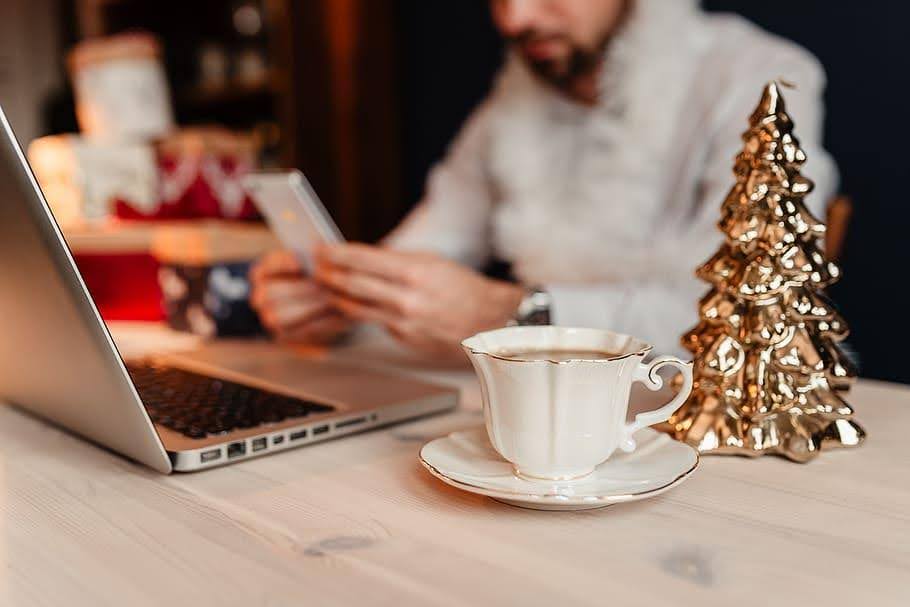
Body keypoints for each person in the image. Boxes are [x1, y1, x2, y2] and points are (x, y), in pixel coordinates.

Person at [250, 0, 837, 359]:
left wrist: (511, 314)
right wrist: (343, 297)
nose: (516, 17)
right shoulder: (511, 106)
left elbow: (735, 319)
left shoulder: (760, 78)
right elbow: (432, 238)